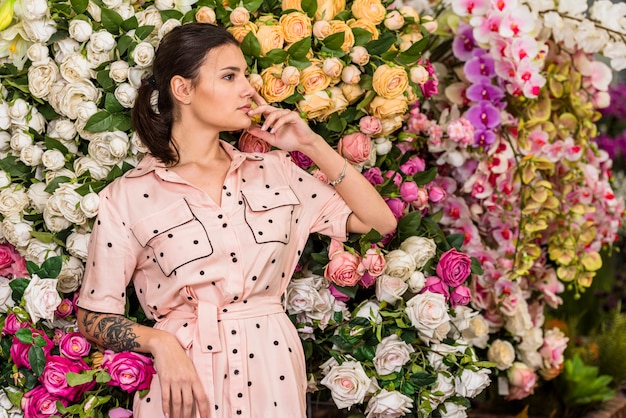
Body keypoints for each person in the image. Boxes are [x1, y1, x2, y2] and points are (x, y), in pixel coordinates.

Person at [76, 23, 397, 418]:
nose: (248, 89)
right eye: (230, 76)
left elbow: (380, 223)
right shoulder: (126, 196)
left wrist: (312, 144)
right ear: (183, 89)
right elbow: (92, 316)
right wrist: (161, 343)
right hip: (183, 381)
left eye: (245, 75)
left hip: (271, 370)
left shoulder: (276, 171)